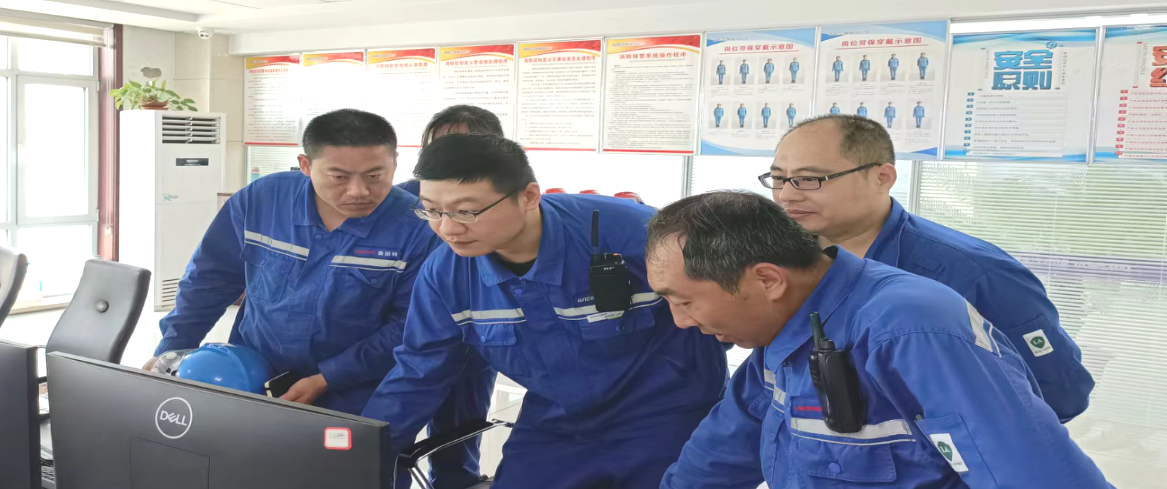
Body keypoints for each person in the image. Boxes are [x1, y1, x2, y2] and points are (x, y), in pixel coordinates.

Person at [651, 191, 1113, 489]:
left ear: (768, 279)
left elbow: (1033, 476)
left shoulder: (912, 329)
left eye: (685, 300)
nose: (680, 321)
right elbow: (719, 454)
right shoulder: (782, 330)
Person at [149, 109, 493, 488]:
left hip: (361, 387)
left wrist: (329, 377)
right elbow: (209, 279)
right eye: (339, 176)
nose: (358, 191)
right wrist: (172, 350)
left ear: (395, 163)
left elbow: (409, 326)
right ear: (306, 165)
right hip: (258, 375)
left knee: (353, 471)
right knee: (249, 468)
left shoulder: (419, 229)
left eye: (374, 175)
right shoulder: (262, 201)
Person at [361, 134, 728, 489]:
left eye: (467, 211)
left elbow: (723, 309)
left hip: (669, 417)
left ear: (528, 196)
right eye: (432, 210)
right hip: (557, 424)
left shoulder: (634, 233)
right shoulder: (446, 275)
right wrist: (359, 451)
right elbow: (419, 371)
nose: (448, 228)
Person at [764, 115, 1094, 422]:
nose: (787, 195)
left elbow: (1059, 397)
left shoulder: (977, 274)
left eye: (809, 179)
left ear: (882, 178)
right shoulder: (775, 265)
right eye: (779, 179)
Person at [396, 104, 506, 197]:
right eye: (436, 146)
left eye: (459, 147)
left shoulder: (506, 197)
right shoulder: (404, 196)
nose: (446, 155)